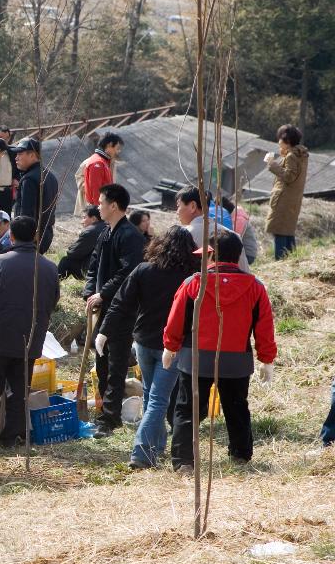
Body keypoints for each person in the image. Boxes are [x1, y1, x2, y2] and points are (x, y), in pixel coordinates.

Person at [163, 228, 276, 470]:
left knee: (187, 410)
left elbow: (176, 319)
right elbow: (264, 327)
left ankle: (184, 462)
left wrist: (170, 347)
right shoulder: (255, 286)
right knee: (237, 408)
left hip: (195, 357)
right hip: (237, 359)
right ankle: (240, 455)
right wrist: (267, 360)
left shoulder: (193, 283)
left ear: (212, 255)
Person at [98, 227, 198, 468]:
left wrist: (103, 331)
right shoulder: (193, 276)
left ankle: (156, 448)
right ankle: (141, 454)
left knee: (154, 397)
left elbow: (121, 304)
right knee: (157, 399)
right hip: (173, 345)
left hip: (143, 341)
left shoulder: (143, 270)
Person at [0, 216, 60, 449]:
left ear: (11, 236)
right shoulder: (49, 268)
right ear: (37, 237)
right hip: (30, 338)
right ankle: (13, 436)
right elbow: (53, 302)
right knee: (20, 391)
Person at [84, 184, 146, 434]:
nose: (98, 206)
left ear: (113, 205)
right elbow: (94, 264)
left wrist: (104, 292)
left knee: (116, 361)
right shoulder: (105, 232)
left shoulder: (130, 236)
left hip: (122, 308)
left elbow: (128, 272)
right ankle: (104, 409)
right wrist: (90, 291)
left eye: (101, 202)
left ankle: (110, 419)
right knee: (101, 358)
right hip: (102, 305)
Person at [176, 186, 250, 273]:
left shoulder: (181, 236)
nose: (177, 211)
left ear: (193, 206)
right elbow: (245, 273)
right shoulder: (233, 235)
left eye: (178, 206)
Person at [266, 124, 308, 260]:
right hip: (292, 200)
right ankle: (292, 260)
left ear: (287, 141)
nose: (278, 141)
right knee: (288, 232)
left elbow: (289, 176)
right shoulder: (300, 154)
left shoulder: (291, 156)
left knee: (280, 232)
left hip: (283, 201)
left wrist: (272, 164)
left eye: (280, 139)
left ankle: (280, 261)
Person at [12, 137, 59, 254]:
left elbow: (26, 214)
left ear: (32, 155)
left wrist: (22, 239)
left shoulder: (29, 179)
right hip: (46, 233)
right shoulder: (50, 175)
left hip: (30, 238)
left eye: (20, 154)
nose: (16, 158)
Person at [75, 132, 122, 214]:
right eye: (117, 148)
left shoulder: (106, 161)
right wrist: (98, 211)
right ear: (110, 145)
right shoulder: (97, 163)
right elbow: (96, 190)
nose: (118, 151)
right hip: (96, 209)